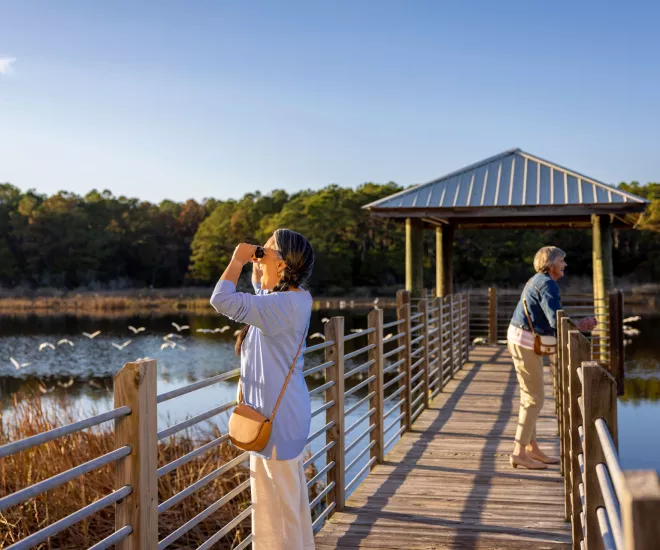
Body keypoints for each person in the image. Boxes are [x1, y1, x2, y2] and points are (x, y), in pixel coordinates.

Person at [210, 228, 315, 550]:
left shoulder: (283, 306)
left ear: (283, 264)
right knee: (276, 505)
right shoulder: (286, 300)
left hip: (277, 422)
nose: (259, 256)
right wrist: (260, 263)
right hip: (273, 416)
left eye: (266, 251)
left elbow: (221, 300)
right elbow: (261, 288)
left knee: (280, 509)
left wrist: (238, 260)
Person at [507, 246, 597, 470]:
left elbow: (552, 320)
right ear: (550, 263)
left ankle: (531, 448)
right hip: (524, 343)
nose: (565, 265)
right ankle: (518, 452)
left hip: (521, 340)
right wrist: (580, 326)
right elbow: (556, 320)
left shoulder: (538, 280)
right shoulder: (548, 284)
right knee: (534, 398)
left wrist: (574, 325)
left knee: (531, 397)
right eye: (562, 261)